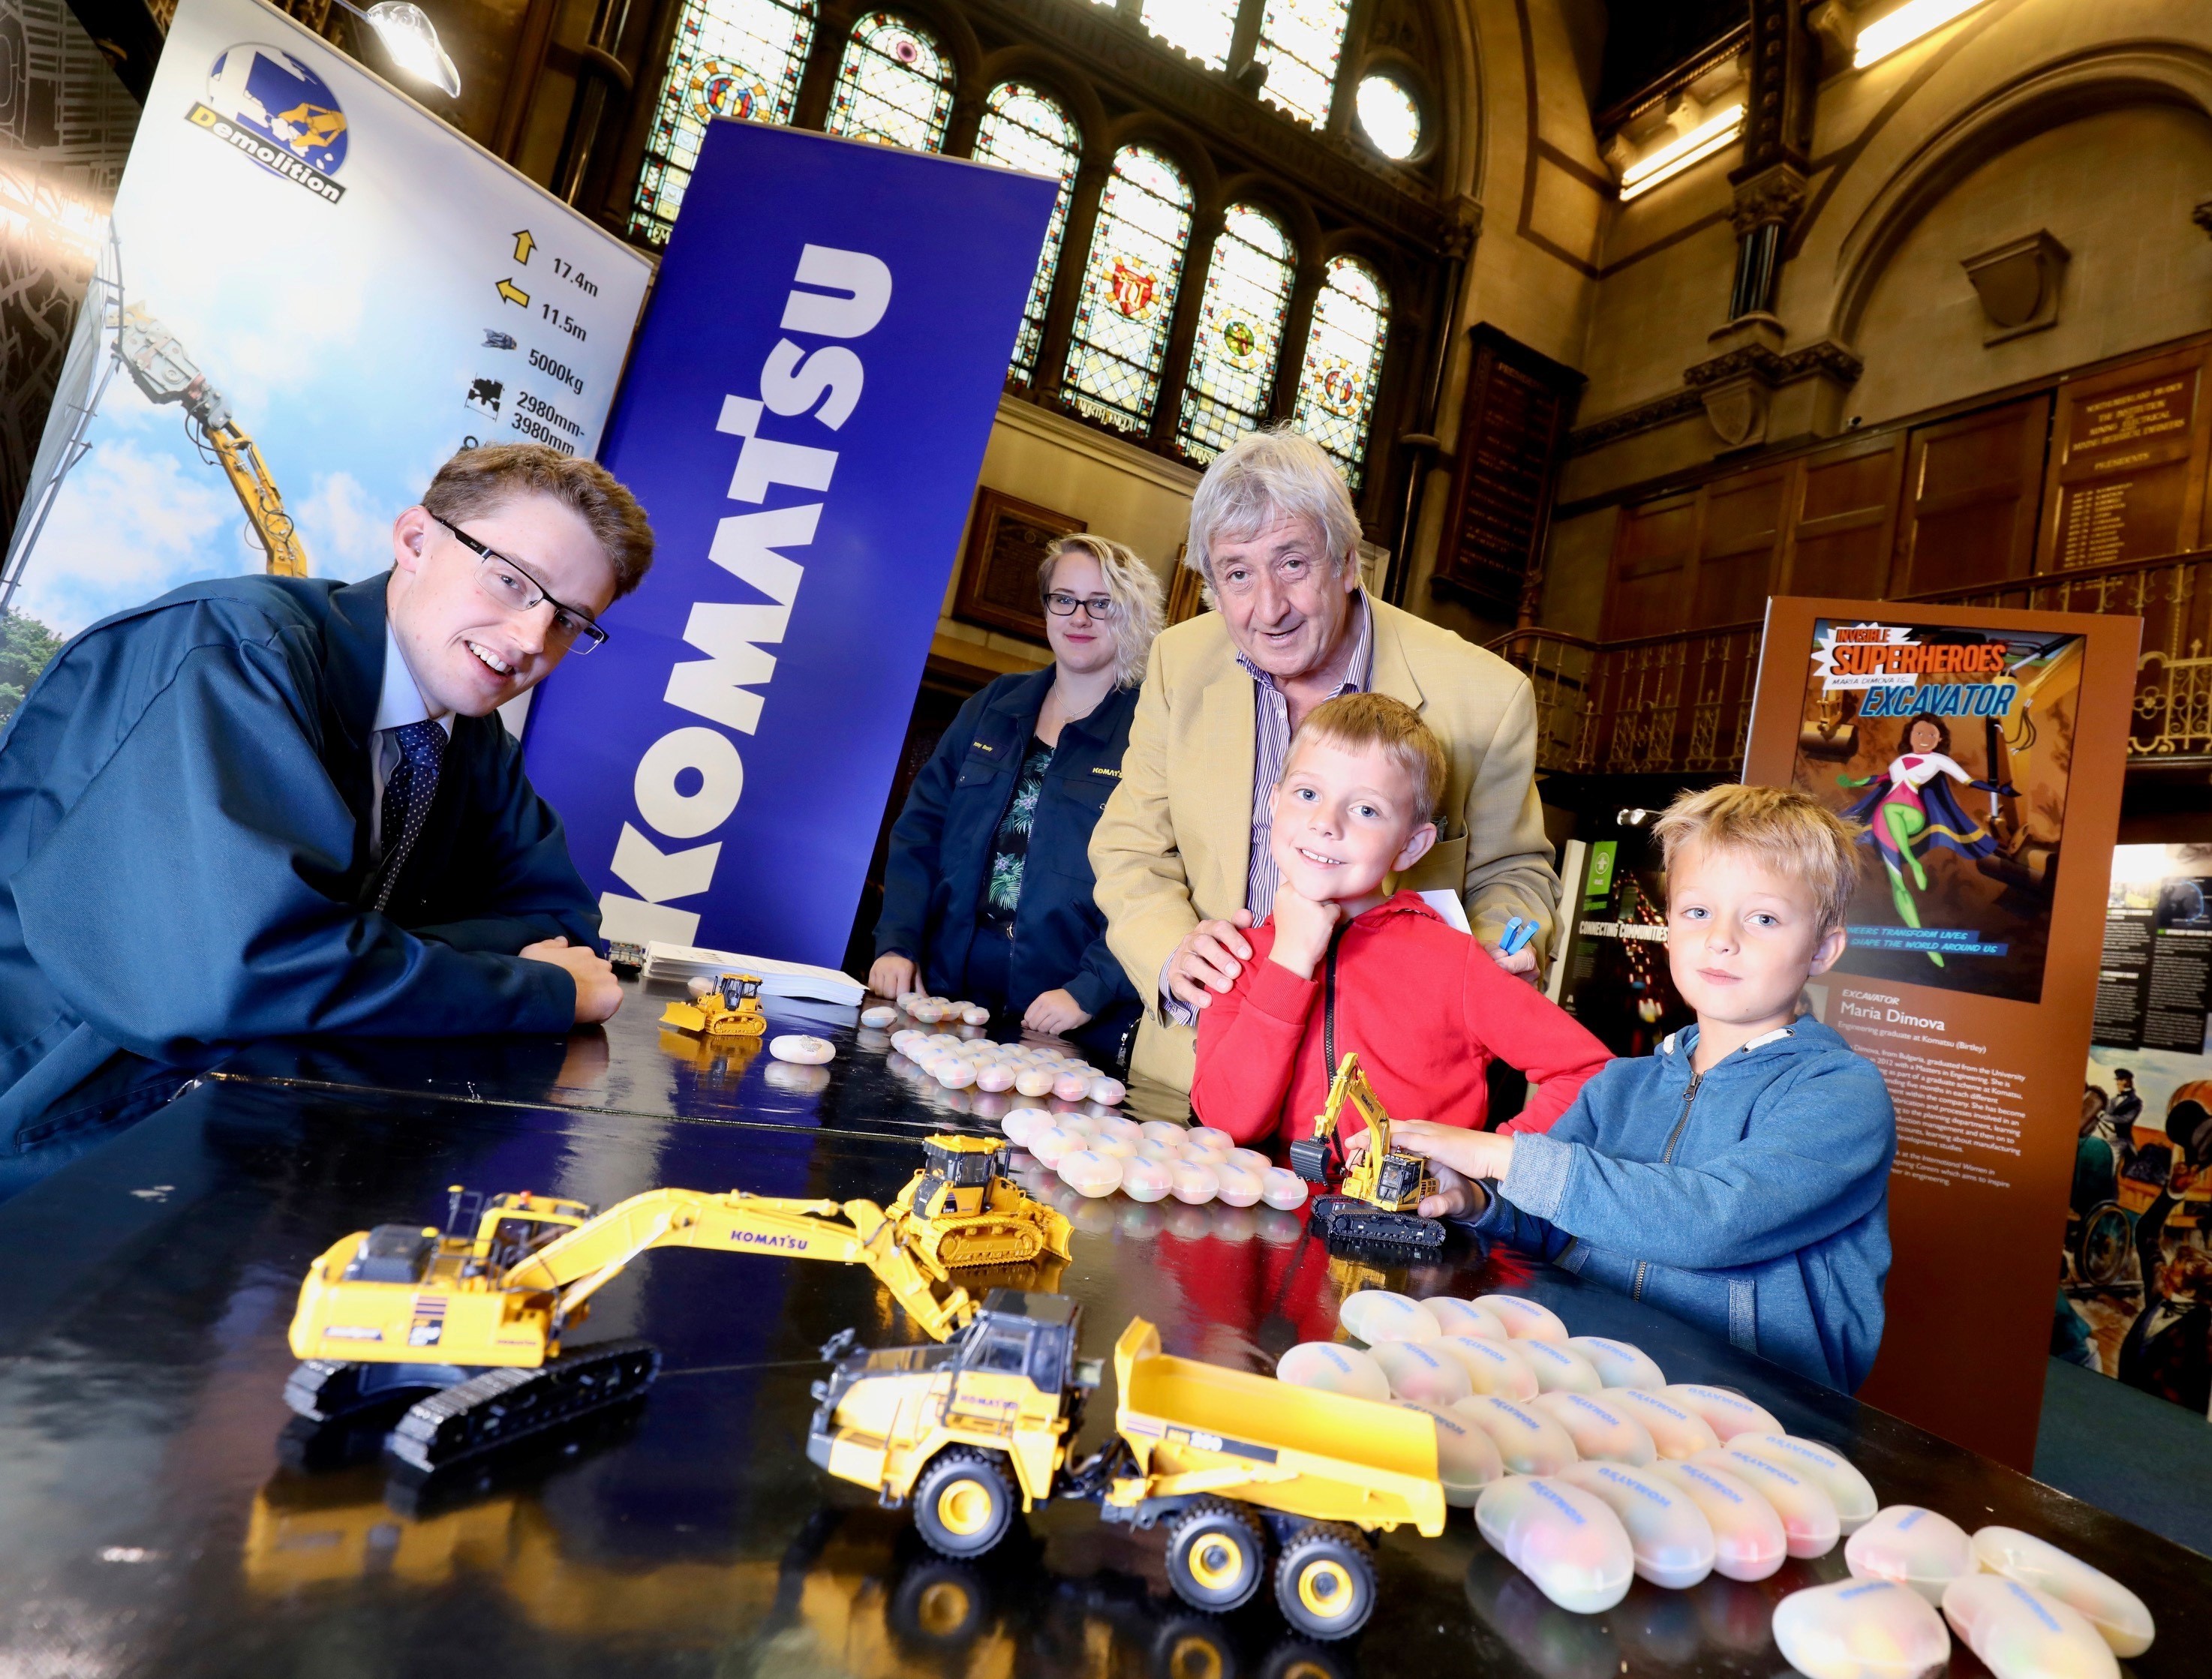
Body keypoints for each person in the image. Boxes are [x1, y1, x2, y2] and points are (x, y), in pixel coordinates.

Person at [0, 443, 647, 1155]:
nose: (530, 639)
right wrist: (538, 989)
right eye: (510, 582)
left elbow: (565, 930)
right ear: (416, 540)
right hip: (60, 1128)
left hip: (240, 1118)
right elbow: (237, 977)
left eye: (568, 621)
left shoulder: (472, 740)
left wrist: (342, 950)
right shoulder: (236, 652)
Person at [1371, 782, 1896, 1392]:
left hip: (1743, 1404)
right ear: (1669, 927)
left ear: (1823, 949)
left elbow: (1713, 1221)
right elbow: (1553, 1224)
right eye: (1697, 912)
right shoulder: (1619, 1085)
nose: (1721, 939)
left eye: (1764, 919)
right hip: (1585, 1378)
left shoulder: (1840, 1094)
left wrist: (1500, 1156)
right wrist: (1479, 1201)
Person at [1089, 428, 1558, 1092]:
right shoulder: (1179, 662)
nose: (1268, 609)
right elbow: (1129, 845)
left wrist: (1494, 946)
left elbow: (1514, 872)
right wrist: (1171, 950)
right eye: (1237, 574)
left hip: (1383, 1089)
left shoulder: (1487, 697)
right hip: (1200, 1061)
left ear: (1345, 562)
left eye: (1292, 563)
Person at [1189, 693, 1609, 1144]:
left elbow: (1591, 1074)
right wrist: (1289, 963)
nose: (1325, 823)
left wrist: (1485, 1163)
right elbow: (1228, 1123)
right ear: (1274, 804)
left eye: (1366, 810)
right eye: (1308, 794)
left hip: (1415, 1194)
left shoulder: (1453, 961)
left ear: (1411, 846)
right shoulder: (1238, 956)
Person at [869, 536, 1162, 1044]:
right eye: (1064, 599)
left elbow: (1157, 880)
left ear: (1132, 614)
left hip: (1066, 1012)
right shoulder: (994, 704)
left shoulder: (1152, 730)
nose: (1079, 618)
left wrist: (1090, 989)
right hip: (941, 990)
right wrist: (897, 942)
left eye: (1101, 603)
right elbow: (921, 832)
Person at [1836, 712, 2012, 966]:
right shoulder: (1901, 761)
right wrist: (1853, 781)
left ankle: (1912, 861)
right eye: (1919, 733)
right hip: (1886, 822)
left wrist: (1999, 789)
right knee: (1899, 886)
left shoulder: (1939, 760)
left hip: (1911, 813)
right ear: (1910, 736)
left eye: (1931, 734)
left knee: (1890, 810)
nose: (1925, 738)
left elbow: (1969, 781)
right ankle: (1925, 945)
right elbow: (1881, 779)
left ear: (1939, 739)